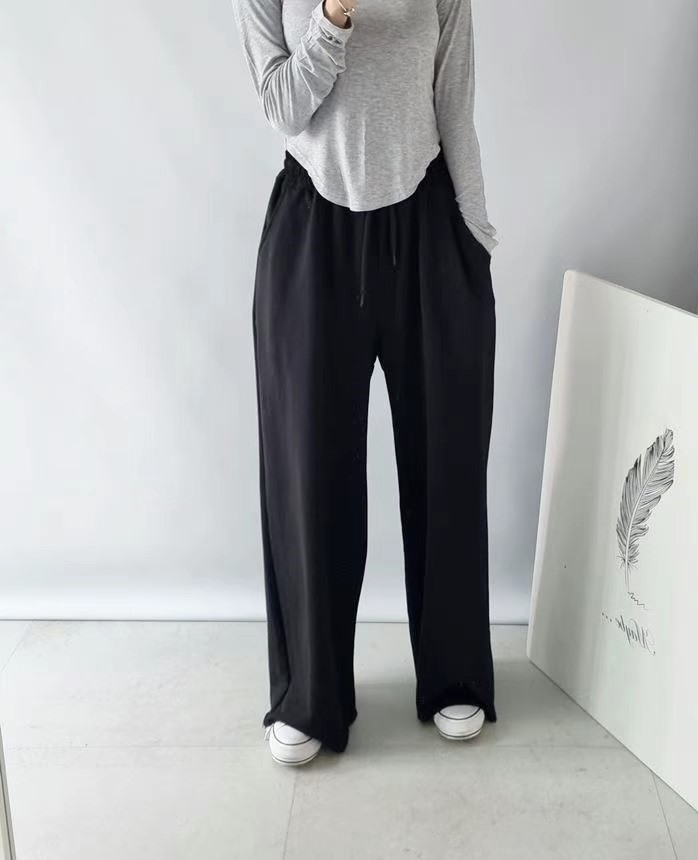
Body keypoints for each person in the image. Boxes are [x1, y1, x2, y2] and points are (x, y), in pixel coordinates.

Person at [231, 0, 499, 765]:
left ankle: (453, 674)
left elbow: (453, 103)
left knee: (447, 459)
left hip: (426, 223)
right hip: (313, 229)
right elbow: (282, 107)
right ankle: (310, 694)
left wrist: (475, 233)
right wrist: (331, 18)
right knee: (309, 473)